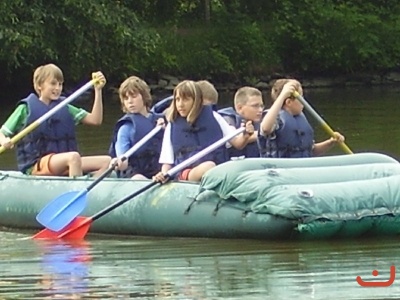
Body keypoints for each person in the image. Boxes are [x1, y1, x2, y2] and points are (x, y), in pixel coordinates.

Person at [0, 63, 111, 177]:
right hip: (37, 164)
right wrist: (4, 141)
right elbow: (1, 133)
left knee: (107, 162)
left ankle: (87, 188)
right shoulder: (25, 109)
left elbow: (95, 120)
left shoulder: (64, 107)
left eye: (60, 84)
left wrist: (98, 91)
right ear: (39, 86)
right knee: (73, 157)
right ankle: (75, 190)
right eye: (53, 84)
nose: (57, 88)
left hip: (64, 161)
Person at [152, 80, 254, 183]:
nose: (180, 104)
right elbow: (167, 162)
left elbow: (238, 144)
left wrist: (245, 135)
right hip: (186, 173)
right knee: (209, 166)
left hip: (218, 169)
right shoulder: (172, 125)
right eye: (177, 100)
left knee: (215, 167)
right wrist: (164, 174)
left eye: (186, 100)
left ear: (196, 100)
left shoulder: (214, 117)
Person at [258, 78, 345, 158]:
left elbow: (311, 151)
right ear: (288, 102)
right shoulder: (274, 118)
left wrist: (330, 142)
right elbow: (265, 129)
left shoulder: (300, 118)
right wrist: (283, 95)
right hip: (279, 170)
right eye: (301, 97)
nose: (304, 101)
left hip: (301, 168)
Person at [109, 76, 165, 179]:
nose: (130, 101)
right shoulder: (125, 128)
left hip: (158, 170)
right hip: (134, 173)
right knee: (138, 178)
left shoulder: (161, 121)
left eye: (133, 96)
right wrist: (119, 162)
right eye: (126, 98)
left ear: (144, 97)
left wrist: (166, 128)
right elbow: (123, 160)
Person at [218, 86, 264, 158]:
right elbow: (235, 138)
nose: (260, 110)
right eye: (255, 106)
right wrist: (263, 133)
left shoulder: (261, 121)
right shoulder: (228, 118)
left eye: (261, 106)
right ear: (240, 108)